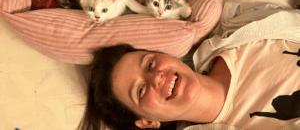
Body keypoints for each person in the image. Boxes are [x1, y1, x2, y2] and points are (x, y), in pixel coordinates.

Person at [78, 10, 300, 130]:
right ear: (147, 122)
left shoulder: (236, 34)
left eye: (150, 64)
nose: (156, 78)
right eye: (141, 91)